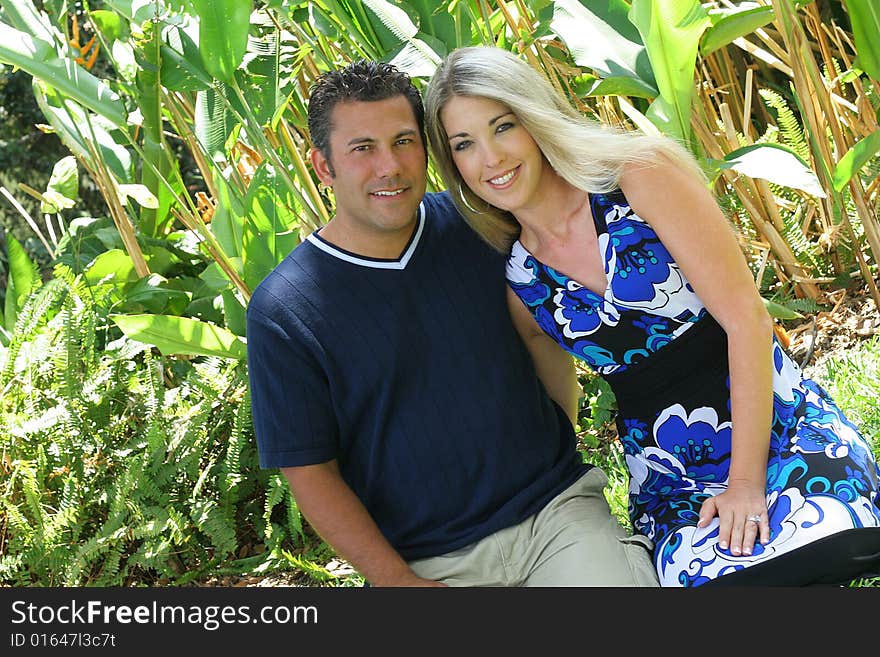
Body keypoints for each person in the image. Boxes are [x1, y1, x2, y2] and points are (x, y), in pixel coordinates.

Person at [424, 45, 880, 587]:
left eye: (502, 127)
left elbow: (747, 321)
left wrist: (745, 483)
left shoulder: (637, 177)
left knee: (834, 535)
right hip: (672, 480)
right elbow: (556, 426)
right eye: (464, 144)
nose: (491, 158)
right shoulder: (524, 287)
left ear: (535, 119)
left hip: (780, 430)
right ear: (452, 164)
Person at [246, 59, 659, 587]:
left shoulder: (481, 223)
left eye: (403, 141)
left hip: (556, 517)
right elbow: (309, 470)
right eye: (362, 149)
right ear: (323, 166)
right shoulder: (286, 308)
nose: (389, 166)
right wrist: (396, 581)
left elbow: (543, 335)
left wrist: (553, 438)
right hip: (429, 562)